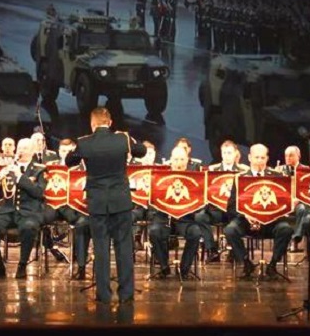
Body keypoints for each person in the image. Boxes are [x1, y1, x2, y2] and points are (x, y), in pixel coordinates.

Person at [65, 107, 147, 304]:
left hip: (98, 203)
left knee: (101, 248)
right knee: (124, 247)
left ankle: (104, 295)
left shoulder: (84, 142)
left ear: (92, 124)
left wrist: (77, 150)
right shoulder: (123, 139)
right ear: (110, 123)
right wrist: (129, 141)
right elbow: (142, 151)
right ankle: (126, 294)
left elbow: (69, 162)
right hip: (120, 201)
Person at [0, 137, 46, 279]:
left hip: (28, 212)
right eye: (20, 147)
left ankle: (22, 264)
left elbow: (39, 193)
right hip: (7, 210)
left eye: (25, 148)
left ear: (33, 151)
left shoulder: (39, 170)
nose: (21, 150)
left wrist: (20, 177)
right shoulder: (8, 168)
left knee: (29, 227)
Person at [223, 143, 293, 280]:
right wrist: (245, 214)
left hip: (271, 221)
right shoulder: (240, 178)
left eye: (262, 157)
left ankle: (272, 265)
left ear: (267, 158)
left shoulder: (277, 177)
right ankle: (246, 262)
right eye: (256, 157)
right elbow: (230, 206)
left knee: (286, 229)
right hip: (246, 221)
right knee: (230, 230)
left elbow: (283, 202)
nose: (259, 161)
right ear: (249, 157)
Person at [148, 145, 204, 280]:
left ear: (187, 161)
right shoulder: (161, 178)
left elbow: (200, 203)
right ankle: (164, 267)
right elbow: (152, 201)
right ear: (171, 160)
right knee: (154, 231)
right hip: (163, 218)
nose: (179, 163)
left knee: (195, 232)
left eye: (182, 159)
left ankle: (184, 269)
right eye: (176, 159)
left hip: (185, 219)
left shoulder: (194, 179)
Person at [44, 137, 91, 279]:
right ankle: (52, 248)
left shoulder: (83, 169)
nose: (65, 154)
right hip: (54, 205)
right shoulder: (50, 166)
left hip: (74, 206)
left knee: (81, 224)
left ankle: (80, 259)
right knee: (39, 219)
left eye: (68, 151)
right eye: (63, 151)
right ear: (58, 151)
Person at [194, 140, 247, 263]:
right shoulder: (212, 169)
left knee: (237, 219)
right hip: (216, 210)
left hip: (234, 211)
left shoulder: (243, 171)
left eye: (229, 153)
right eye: (224, 153)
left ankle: (234, 251)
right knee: (200, 217)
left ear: (235, 154)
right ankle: (212, 250)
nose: (227, 156)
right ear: (221, 154)